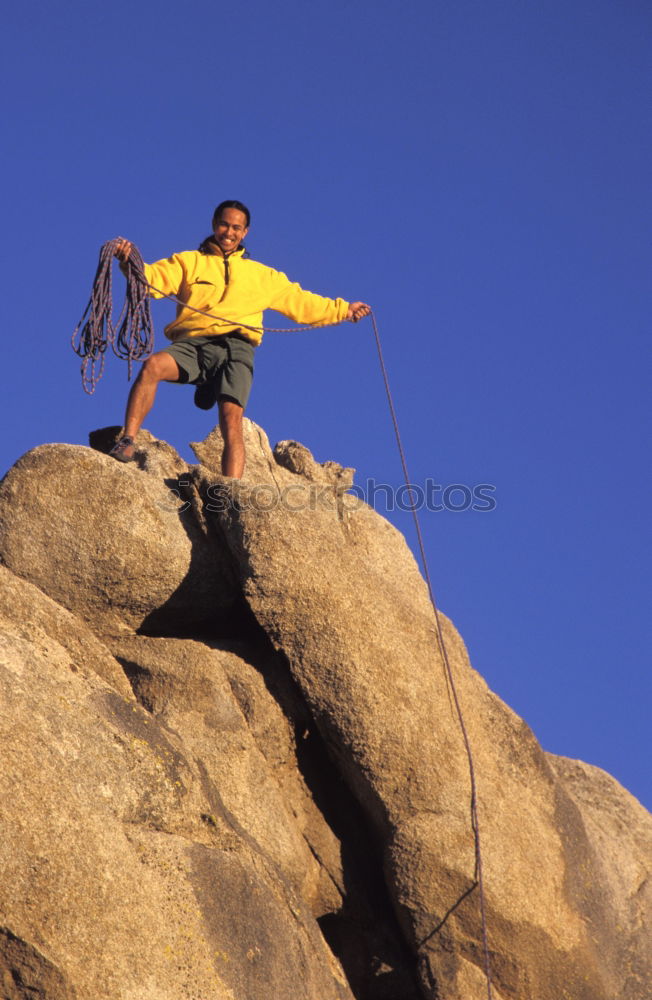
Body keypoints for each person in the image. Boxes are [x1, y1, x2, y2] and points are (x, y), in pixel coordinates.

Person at [110, 200, 370, 477]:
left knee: (231, 419)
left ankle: (230, 491)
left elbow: (302, 302)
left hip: (238, 348)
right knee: (152, 365)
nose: (229, 232)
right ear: (214, 225)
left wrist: (344, 309)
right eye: (224, 224)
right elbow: (152, 279)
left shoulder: (263, 276)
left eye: (236, 227)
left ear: (245, 232)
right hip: (194, 343)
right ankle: (128, 440)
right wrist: (130, 263)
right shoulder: (189, 262)